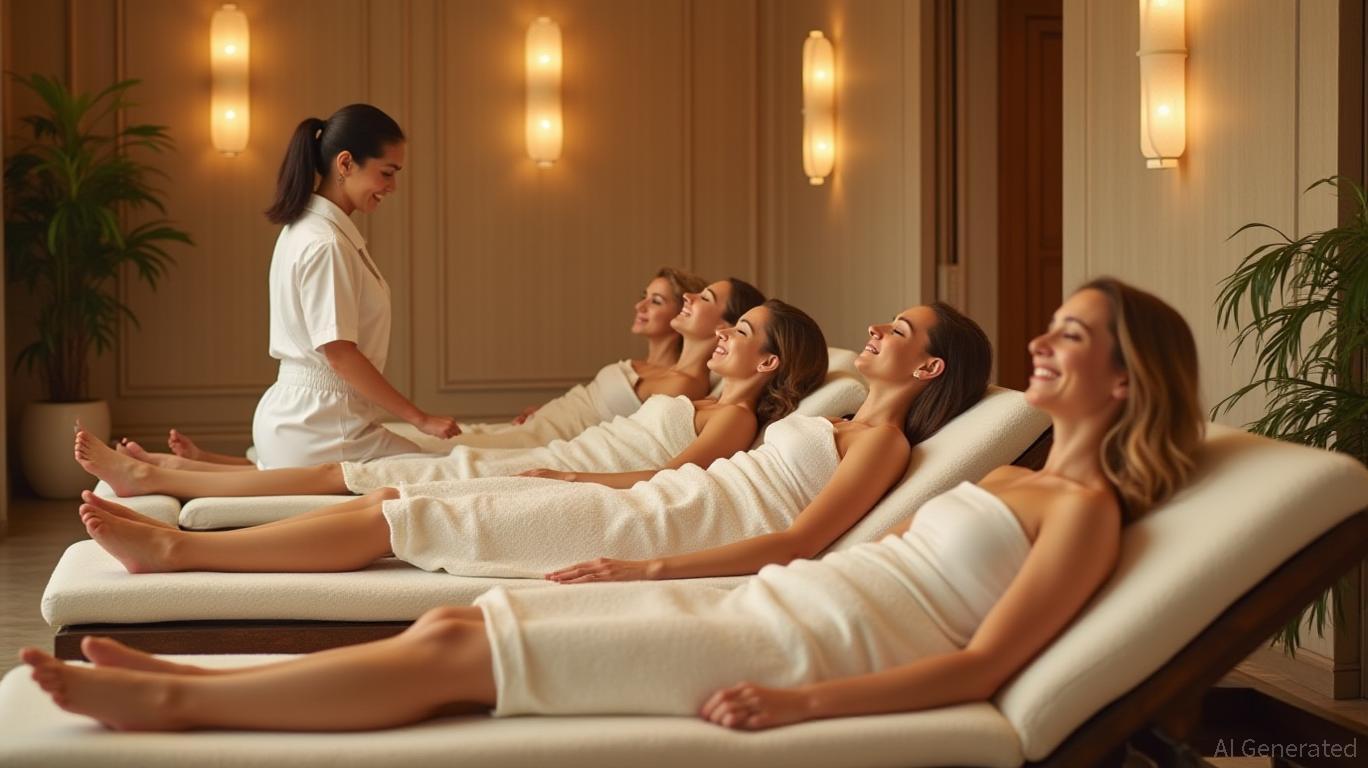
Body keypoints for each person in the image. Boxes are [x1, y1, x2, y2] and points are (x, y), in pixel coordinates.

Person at [21, 279, 1204, 733]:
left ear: (1125, 378)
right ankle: (186, 670)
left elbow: (985, 664)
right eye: (1053, 326)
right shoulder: (1005, 477)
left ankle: (176, 700)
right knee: (456, 622)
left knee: (459, 646)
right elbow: (824, 545)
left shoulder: (1083, 510)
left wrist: (807, 701)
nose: (1047, 342)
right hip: (786, 596)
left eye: (1075, 335)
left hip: (806, 637)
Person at [69, 300, 990, 585]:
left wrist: (650, 568)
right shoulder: (833, 420)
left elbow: (797, 541)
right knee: (396, 498)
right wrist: (593, 480)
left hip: (664, 529)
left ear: (929, 368)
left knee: (403, 515)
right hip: (650, 503)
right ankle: (183, 533)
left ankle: (181, 552)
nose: (879, 330)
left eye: (902, 330)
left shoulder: (881, 445)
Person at [75, 296, 816, 502]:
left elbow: (672, 478)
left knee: (354, 476)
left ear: (769, 361)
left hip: (558, 468)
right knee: (356, 473)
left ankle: (167, 478)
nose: (723, 334)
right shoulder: (712, 400)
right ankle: (177, 475)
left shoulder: (733, 416)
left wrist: (571, 477)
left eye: (740, 330)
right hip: (558, 452)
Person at [141, 267, 713, 466]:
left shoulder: (686, 382)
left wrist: (560, 429)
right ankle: (234, 465)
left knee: (406, 450)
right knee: (389, 437)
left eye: (658, 301)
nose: (642, 306)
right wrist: (549, 410)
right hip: (537, 424)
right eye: (646, 296)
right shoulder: (641, 364)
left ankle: (213, 469)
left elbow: (635, 435)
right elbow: (593, 401)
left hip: (546, 443)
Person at [250, 104, 458, 469]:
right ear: (345, 163)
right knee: (449, 470)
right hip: (318, 427)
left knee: (441, 465)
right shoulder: (325, 242)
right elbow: (340, 355)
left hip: (304, 419)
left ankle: (189, 466)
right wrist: (420, 419)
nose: (392, 187)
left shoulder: (307, 229)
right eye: (386, 173)